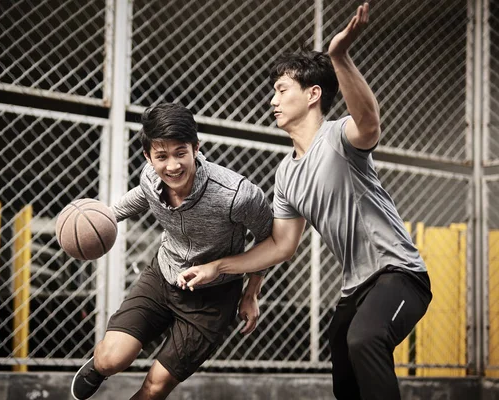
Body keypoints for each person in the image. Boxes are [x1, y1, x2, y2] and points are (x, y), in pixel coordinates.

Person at [177, 3, 432, 400]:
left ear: (313, 94)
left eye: (281, 90)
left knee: (366, 340)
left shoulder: (338, 138)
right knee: (344, 367)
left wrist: (339, 56)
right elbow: (281, 245)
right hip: (355, 287)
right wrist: (217, 268)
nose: (272, 101)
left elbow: (369, 122)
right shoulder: (286, 174)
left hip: (400, 275)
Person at [71, 102, 273, 400]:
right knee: (111, 359)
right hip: (163, 275)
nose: (173, 166)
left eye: (181, 153)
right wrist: (105, 218)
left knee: (155, 387)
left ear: (196, 148)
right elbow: (144, 195)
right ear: (148, 156)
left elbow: (269, 238)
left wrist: (251, 291)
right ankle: (98, 367)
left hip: (213, 298)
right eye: (161, 156)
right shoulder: (150, 177)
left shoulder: (237, 195)